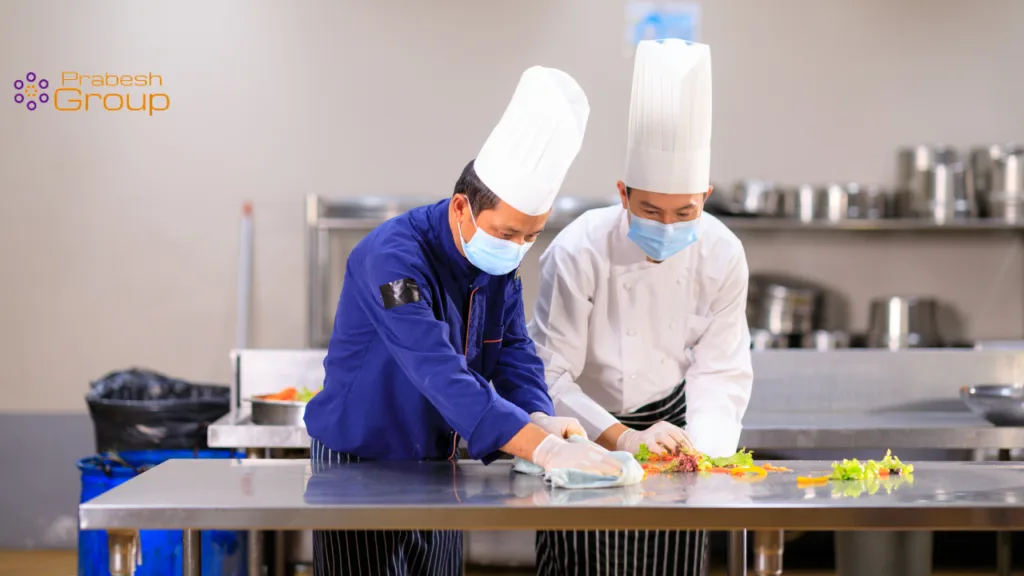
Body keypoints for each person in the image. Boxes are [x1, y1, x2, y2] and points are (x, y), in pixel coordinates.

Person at [303, 65, 626, 576]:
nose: (517, 248)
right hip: (362, 461)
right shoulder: (392, 257)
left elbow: (515, 353)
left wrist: (538, 414)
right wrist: (538, 447)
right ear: (461, 207)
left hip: (440, 463)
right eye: (509, 232)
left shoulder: (497, 265)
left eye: (531, 236)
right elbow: (438, 370)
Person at [529, 39, 754, 576]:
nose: (667, 225)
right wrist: (623, 438)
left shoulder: (723, 253)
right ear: (622, 193)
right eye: (650, 208)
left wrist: (705, 459)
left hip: (673, 428)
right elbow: (551, 377)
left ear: (706, 195)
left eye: (685, 212)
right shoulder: (578, 250)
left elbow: (720, 371)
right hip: (582, 429)